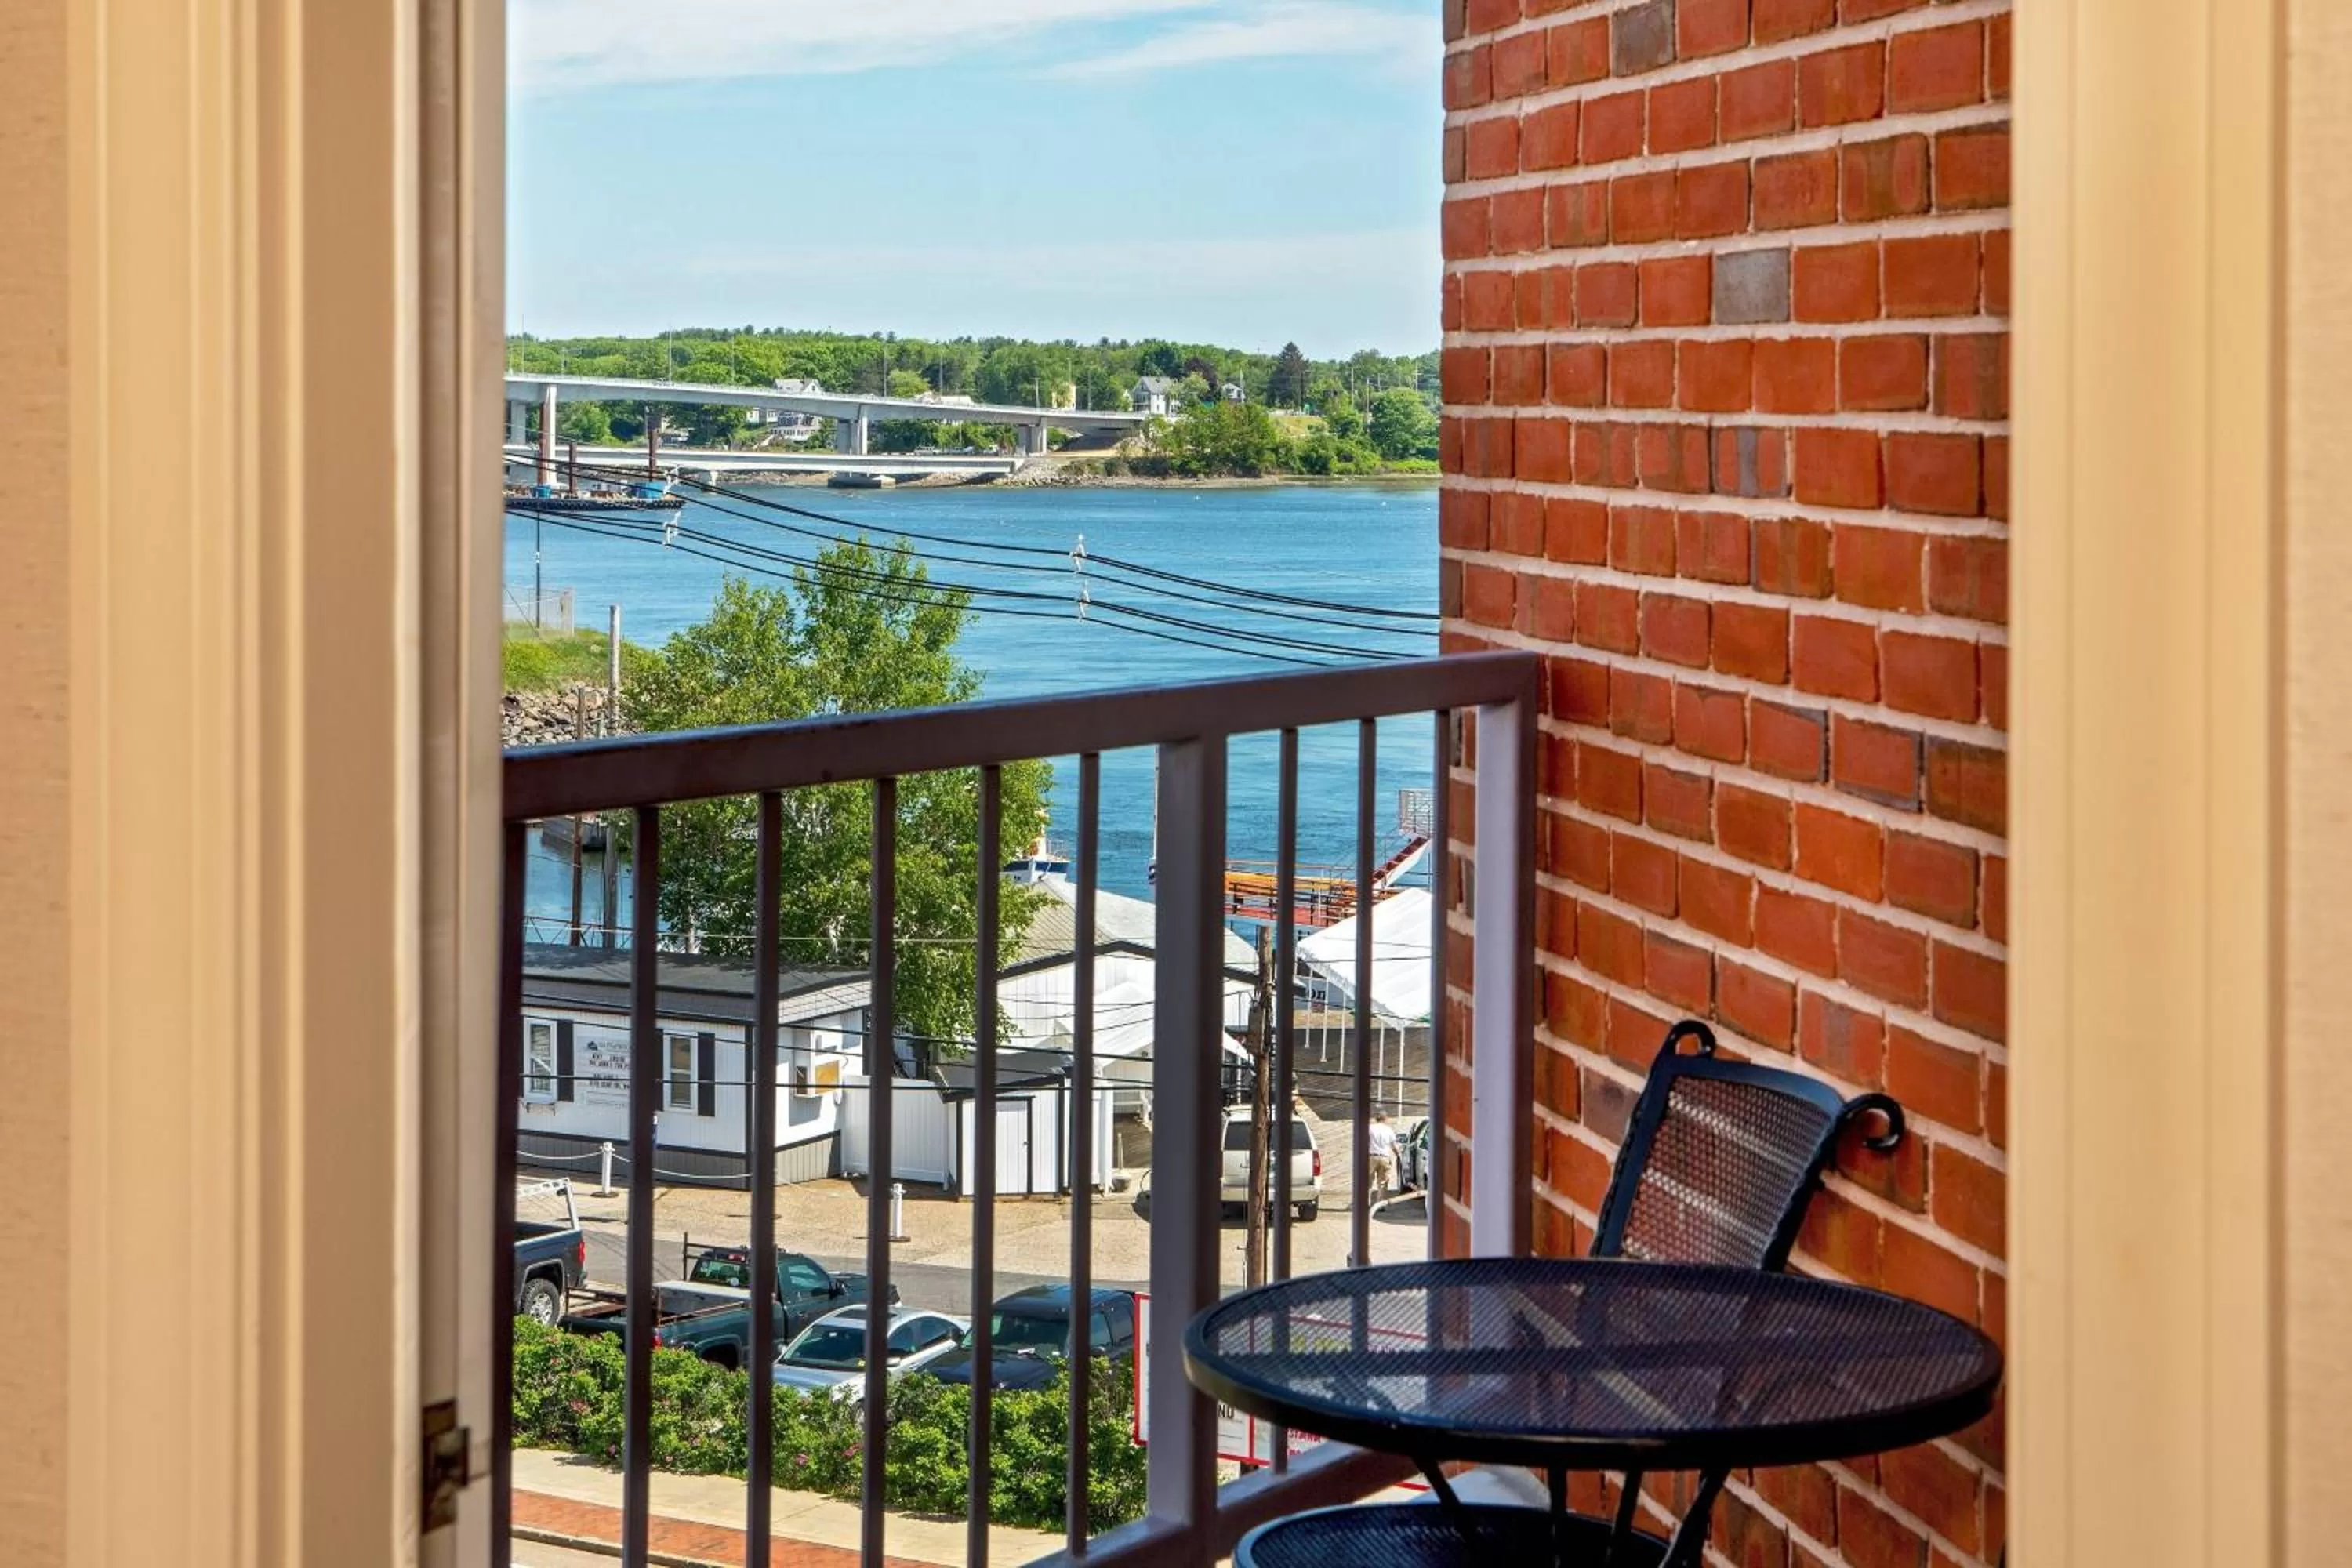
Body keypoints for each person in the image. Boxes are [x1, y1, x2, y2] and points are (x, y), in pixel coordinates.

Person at [1366, 1112, 1399, 1195]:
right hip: (1384, 1157)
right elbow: (1394, 1146)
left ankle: (1366, 1203)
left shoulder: (1370, 1128)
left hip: (1372, 1157)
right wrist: (1398, 1155)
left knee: (1368, 1182)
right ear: (1385, 1119)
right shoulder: (1389, 1130)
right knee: (1383, 1183)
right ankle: (1380, 1205)